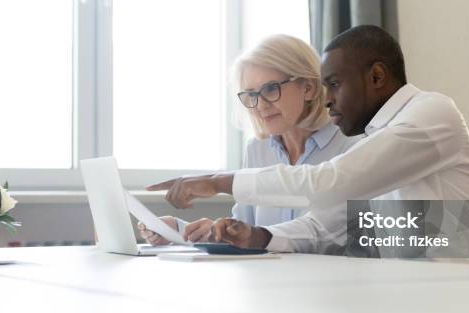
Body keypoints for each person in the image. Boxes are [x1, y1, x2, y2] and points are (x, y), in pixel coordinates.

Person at [147, 25, 469, 260]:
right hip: (408, 293)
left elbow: (330, 181)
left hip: (461, 294)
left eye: (334, 84)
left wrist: (219, 181)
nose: (326, 98)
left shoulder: (431, 114)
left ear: (376, 76)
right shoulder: (374, 134)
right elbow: (327, 225)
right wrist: (257, 236)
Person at [138, 34, 359, 245]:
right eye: (251, 94)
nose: (261, 105)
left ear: (309, 88)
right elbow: (245, 232)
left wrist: (253, 236)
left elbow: (341, 237)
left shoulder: (352, 145)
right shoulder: (258, 149)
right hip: (266, 280)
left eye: (271, 89)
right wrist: (181, 230)